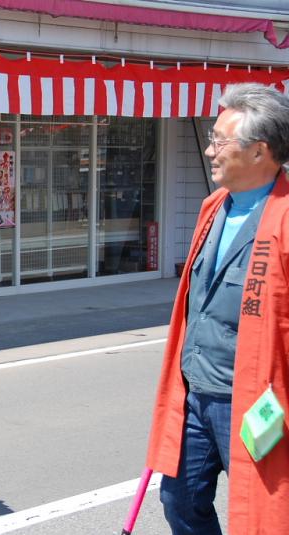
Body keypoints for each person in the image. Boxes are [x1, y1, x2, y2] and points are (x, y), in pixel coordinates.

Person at [146, 83, 289, 534]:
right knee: (179, 500)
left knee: (261, 516)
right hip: (195, 394)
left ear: (258, 152)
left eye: (219, 141)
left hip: (253, 404)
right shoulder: (213, 208)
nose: (209, 150)